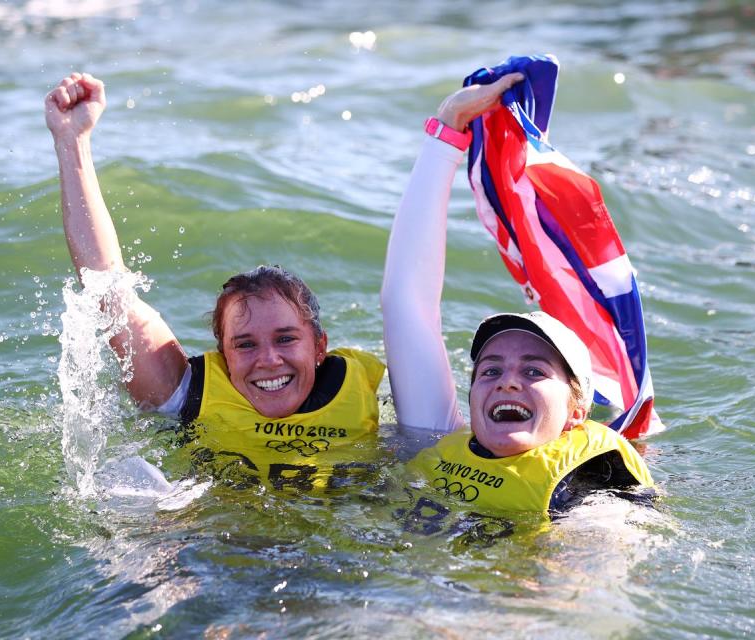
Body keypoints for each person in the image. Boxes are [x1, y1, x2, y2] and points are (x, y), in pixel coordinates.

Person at [44, 73, 385, 484]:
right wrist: (72, 141)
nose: (268, 360)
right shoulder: (189, 395)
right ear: (223, 356)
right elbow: (107, 288)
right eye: (244, 344)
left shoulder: (369, 396)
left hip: (336, 543)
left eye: (286, 338)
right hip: (210, 542)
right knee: (130, 479)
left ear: (320, 346)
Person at [381, 72, 653, 516]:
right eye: (489, 372)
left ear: (576, 410)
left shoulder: (593, 495)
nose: (508, 381)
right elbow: (405, 305)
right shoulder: (435, 443)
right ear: (470, 400)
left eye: (534, 371)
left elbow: (597, 572)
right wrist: (448, 125)